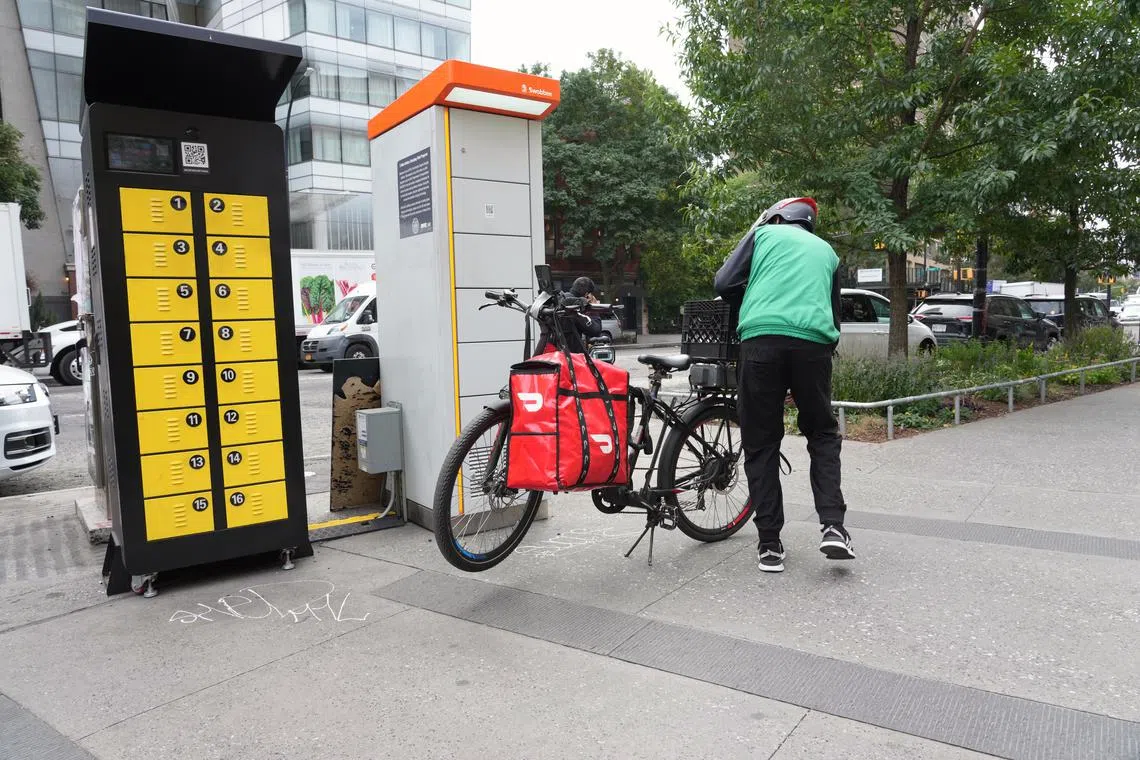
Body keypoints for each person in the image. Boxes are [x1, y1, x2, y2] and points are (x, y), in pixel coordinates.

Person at [714, 197, 854, 573]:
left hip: (760, 342)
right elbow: (834, 316)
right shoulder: (827, 252)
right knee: (822, 433)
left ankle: (770, 544)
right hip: (813, 346)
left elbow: (724, 282)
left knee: (761, 442)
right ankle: (833, 527)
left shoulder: (762, 234)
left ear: (777, 217)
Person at [534, 276, 603, 356]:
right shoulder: (574, 309)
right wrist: (594, 310)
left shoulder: (557, 301)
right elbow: (596, 330)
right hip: (572, 359)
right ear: (587, 295)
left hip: (551, 355)